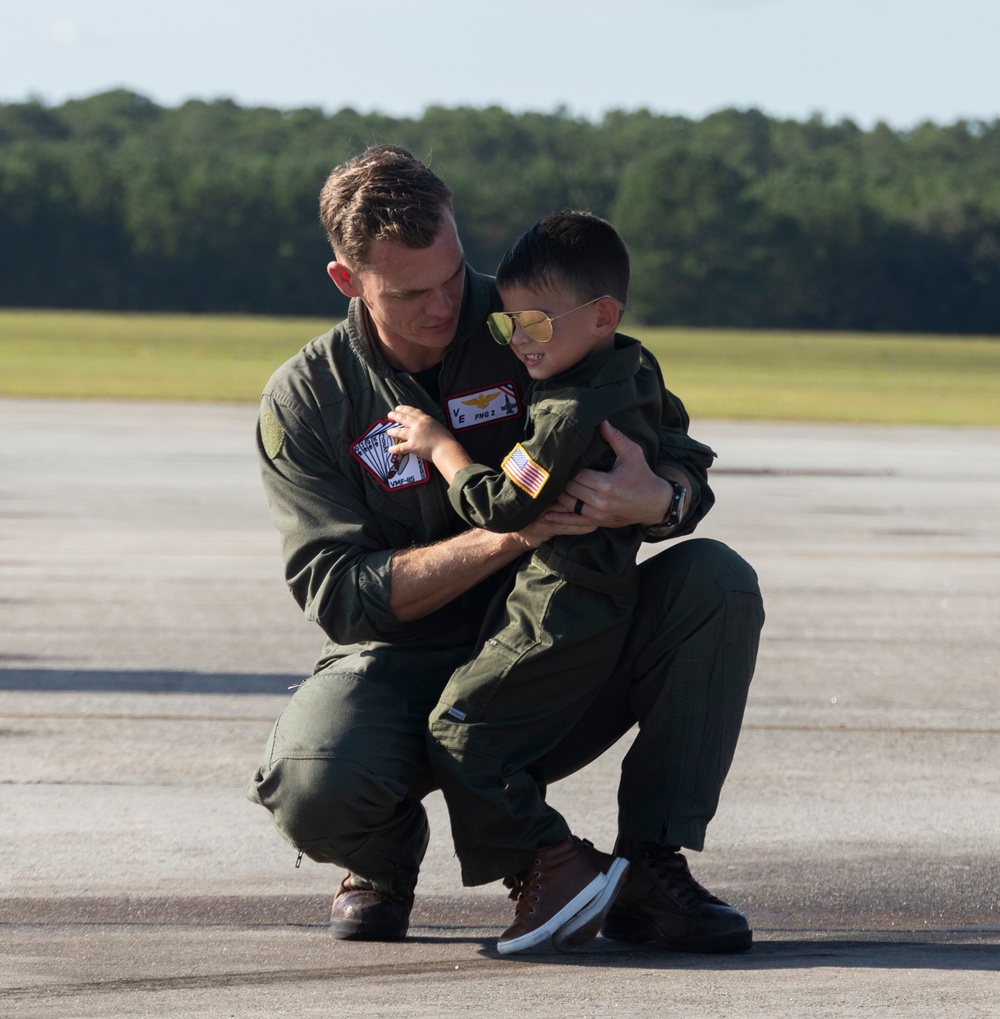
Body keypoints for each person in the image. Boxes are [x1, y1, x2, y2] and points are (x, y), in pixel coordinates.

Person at [246, 144, 764, 955]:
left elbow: (677, 449)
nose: (445, 306)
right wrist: (507, 534)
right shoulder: (308, 397)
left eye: (454, 275)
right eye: (411, 292)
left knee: (717, 583)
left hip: (556, 634)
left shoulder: (533, 315)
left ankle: (650, 865)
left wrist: (657, 497)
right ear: (348, 281)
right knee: (314, 780)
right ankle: (381, 860)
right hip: (402, 659)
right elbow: (341, 596)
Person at [384, 210, 662, 954]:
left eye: (534, 321)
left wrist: (441, 446)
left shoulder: (567, 409)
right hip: (590, 595)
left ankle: (560, 864)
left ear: (602, 315)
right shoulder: (633, 367)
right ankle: (559, 867)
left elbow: (502, 505)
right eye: (507, 324)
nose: (519, 340)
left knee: (460, 727)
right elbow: (681, 440)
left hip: (559, 602)